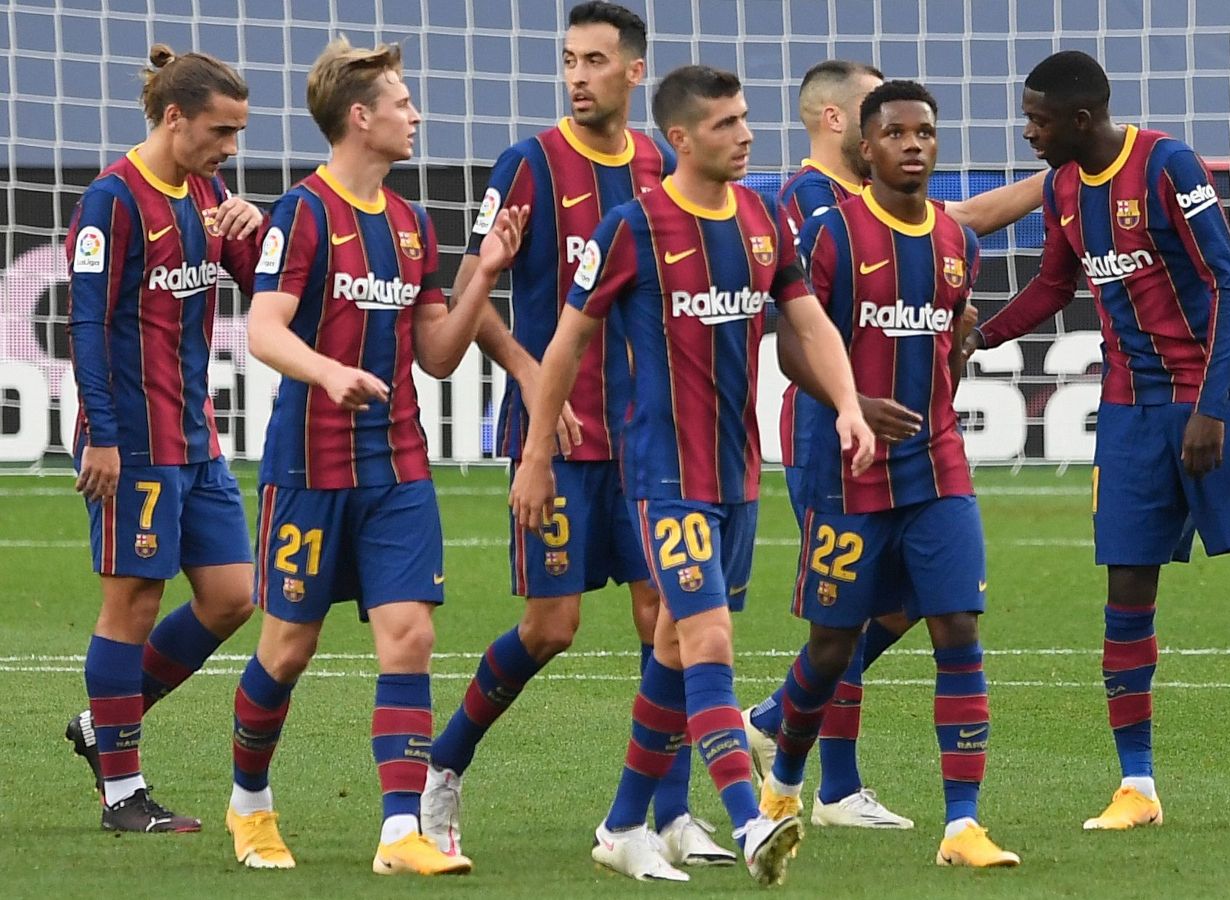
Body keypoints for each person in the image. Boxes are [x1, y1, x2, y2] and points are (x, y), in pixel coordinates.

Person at [966, 50, 1230, 831]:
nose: (1028, 133)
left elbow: (1228, 282)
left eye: (1038, 121)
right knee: (1126, 595)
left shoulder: (1165, 165)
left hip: (1209, 401)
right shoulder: (1059, 189)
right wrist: (983, 334)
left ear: (1080, 120)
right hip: (1128, 414)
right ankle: (1137, 788)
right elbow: (1056, 283)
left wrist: (1214, 408)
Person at [509, 65, 873, 885]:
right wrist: (537, 455)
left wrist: (848, 404)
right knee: (708, 637)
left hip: (737, 475)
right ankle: (750, 823)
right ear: (680, 138)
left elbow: (807, 319)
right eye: (725, 124)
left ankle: (619, 824)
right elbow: (564, 347)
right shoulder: (631, 228)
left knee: (675, 648)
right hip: (662, 475)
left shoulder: (762, 215)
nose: (745, 134)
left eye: (745, 119)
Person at [421, 2, 731, 867]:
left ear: (635, 72)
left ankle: (667, 816)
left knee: (662, 615)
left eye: (596, 60)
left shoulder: (661, 165)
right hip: (555, 435)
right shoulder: (528, 164)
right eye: (569, 60)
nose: (578, 76)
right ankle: (445, 766)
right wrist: (530, 385)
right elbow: (469, 299)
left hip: (647, 442)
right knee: (551, 626)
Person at [224, 36, 528, 874]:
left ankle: (401, 834)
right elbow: (263, 329)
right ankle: (249, 804)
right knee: (286, 649)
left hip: (397, 466)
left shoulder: (410, 222)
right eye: (401, 103)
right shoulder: (305, 212)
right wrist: (328, 374)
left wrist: (484, 277)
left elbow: (435, 355)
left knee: (410, 638)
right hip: (309, 467)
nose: (415, 114)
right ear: (361, 118)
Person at [744, 58, 1047, 830]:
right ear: (846, 125)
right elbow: (795, 333)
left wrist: (961, 341)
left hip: (920, 444)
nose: (910, 142)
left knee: (925, 606)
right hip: (831, 443)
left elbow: (952, 244)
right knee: (843, 622)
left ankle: (900, 800)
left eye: (922, 131)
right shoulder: (816, 207)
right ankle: (822, 772)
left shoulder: (922, 224)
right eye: (888, 124)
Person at [64, 43, 262, 833]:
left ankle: (98, 727)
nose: (231, 147)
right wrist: (102, 439)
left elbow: (264, 278)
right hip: (133, 438)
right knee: (133, 603)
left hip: (195, 434)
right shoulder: (112, 200)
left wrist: (258, 224)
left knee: (231, 597)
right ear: (173, 117)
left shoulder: (207, 191)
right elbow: (84, 323)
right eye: (221, 130)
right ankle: (122, 794)